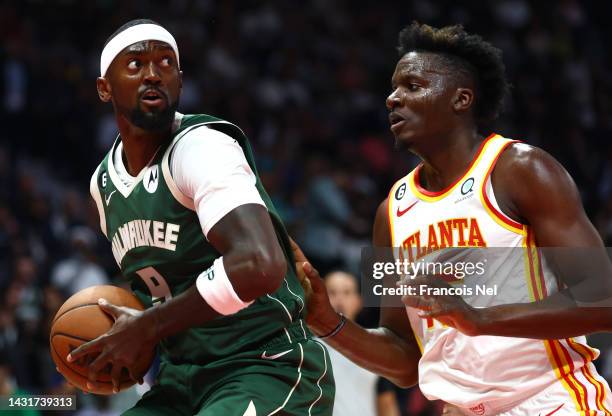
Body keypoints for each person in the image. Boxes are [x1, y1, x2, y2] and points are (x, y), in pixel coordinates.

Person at [293, 22, 612, 416]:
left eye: (412, 86)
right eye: (393, 88)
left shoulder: (522, 169)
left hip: (548, 399)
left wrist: (478, 318)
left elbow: (604, 300)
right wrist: (328, 323)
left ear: (461, 99)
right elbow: (406, 359)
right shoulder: (388, 214)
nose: (393, 99)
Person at [67, 19, 334, 415]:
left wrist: (145, 327)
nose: (153, 73)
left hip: (264, 367)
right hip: (181, 380)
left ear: (180, 82)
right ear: (105, 88)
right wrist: (115, 342)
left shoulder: (200, 147)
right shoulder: (102, 184)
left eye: (165, 63)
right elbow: (158, 289)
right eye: (136, 64)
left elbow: (259, 265)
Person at [320, 271, 400, 416]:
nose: (339, 300)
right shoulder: (306, 348)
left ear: (358, 301)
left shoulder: (375, 347)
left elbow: (387, 402)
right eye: (331, 292)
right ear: (320, 298)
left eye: (347, 292)